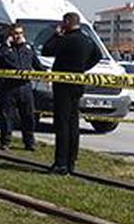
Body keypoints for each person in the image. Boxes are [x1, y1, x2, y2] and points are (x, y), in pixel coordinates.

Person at [42, 12, 101, 174]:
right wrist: (82, 68)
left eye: (63, 22)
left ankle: (60, 163)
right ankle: (71, 161)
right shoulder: (86, 39)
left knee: (62, 125)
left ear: (67, 22)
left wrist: (56, 34)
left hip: (63, 86)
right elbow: (98, 55)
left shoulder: (65, 39)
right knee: (74, 125)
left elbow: (46, 50)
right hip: (77, 84)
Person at [0, 22, 41, 150]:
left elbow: (37, 65)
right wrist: (5, 46)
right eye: (15, 34)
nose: (18, 36)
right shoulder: (2, 49)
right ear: (10, 35)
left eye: (20, 33)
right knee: (7, 117)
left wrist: (46, 75)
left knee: (28, 116)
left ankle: (29, 142)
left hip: (25, 87)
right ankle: (5, 142)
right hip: (8, 87)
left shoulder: (28, 48)